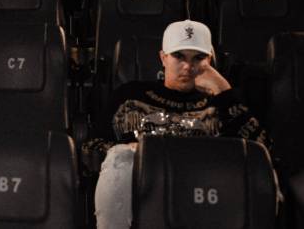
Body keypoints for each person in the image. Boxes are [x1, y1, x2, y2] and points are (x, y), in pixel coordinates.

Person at [86, 20, 269, 229]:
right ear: (163, 58)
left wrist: (225, 92)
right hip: (147, 186)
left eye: (198, 58)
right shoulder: (130, 94)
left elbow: (261, 154)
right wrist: (132, 151)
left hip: (205, 191)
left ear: (209, 60)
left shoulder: (223, 101)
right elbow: (90, 148)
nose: (188, 66)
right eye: (178, 56)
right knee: (120, 157)